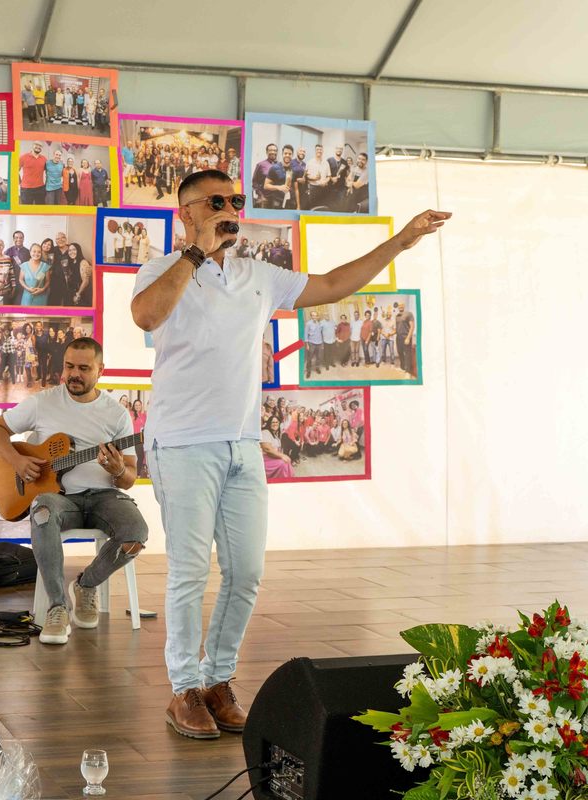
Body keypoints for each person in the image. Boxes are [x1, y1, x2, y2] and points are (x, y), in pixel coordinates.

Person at [130, 167, 449, 740]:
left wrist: (400, 242)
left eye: (234, 200)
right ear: (187, 212)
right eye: (215, 201)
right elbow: (147, 316)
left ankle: (216, 680)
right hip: (181, 443)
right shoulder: (161, 269)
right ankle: (183, 690)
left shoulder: (258, 275)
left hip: (243, 443)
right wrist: (197, 253)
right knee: (189, 572)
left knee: (247, 571)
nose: (230, 209)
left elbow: (332, 284)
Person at [0, 337, 147, 645]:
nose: (74, 374)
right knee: (42, 510)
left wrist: (116, 470)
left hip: (104, 498)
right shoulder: (43, 402)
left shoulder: (117, 414)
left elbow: (128, 479)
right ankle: (57, 607)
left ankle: (86, 585)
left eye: (84, 368)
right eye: (69, 366)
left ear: (100, 370)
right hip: (60, 500)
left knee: (136, 533)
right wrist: (18, 461)